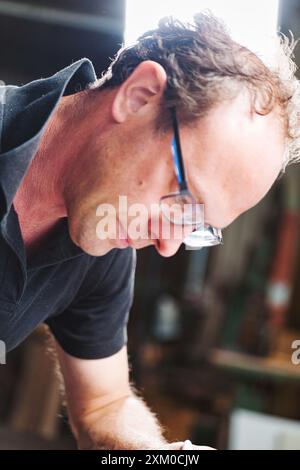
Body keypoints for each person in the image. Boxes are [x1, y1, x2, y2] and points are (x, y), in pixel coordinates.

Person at [0, 12, 299, 449]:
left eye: (197, 227)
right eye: (182, 200)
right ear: (139, 97)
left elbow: (105, 404)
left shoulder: (104, 252)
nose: (167, 242)